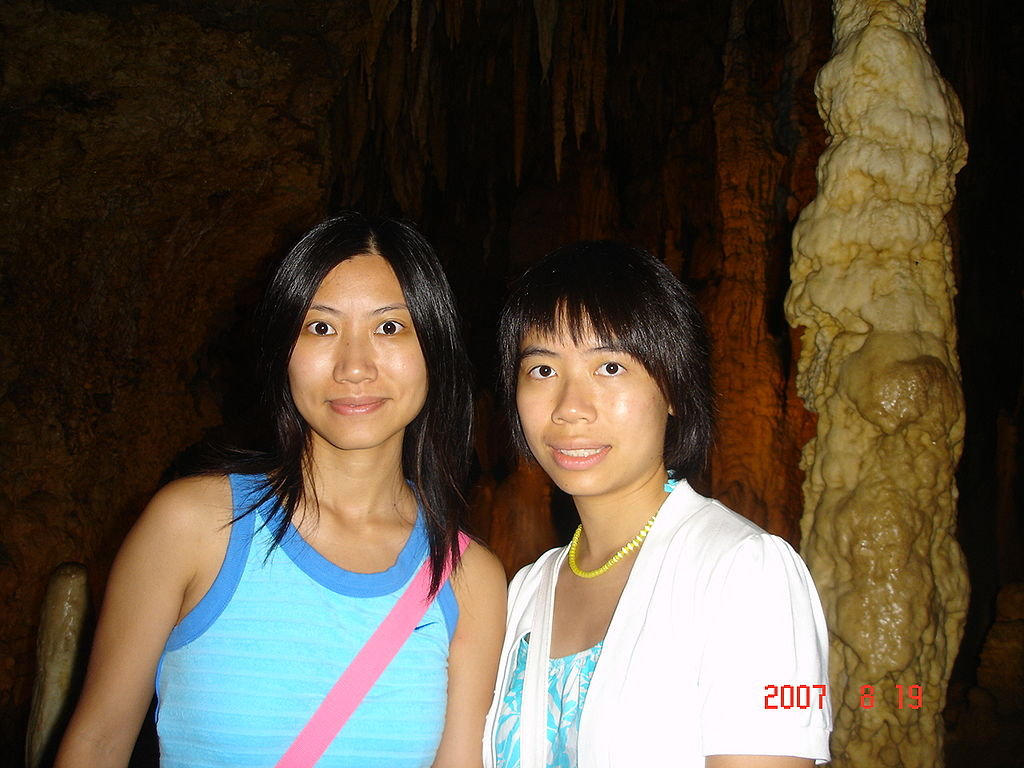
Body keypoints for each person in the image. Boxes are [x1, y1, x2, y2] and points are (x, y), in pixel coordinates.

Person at [56, 212, 507, 768]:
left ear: (434, 348)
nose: (355, 367)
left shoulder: (468, 578)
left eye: (390, 328)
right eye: (321, 328)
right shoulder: (195, 526)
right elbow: (98, 743)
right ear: (282, 350)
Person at [483, 241, 831, 767]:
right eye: (543, 370)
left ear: (672, 387)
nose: (570, 408)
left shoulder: (748, 571)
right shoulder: (528, 590)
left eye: (610, 367)